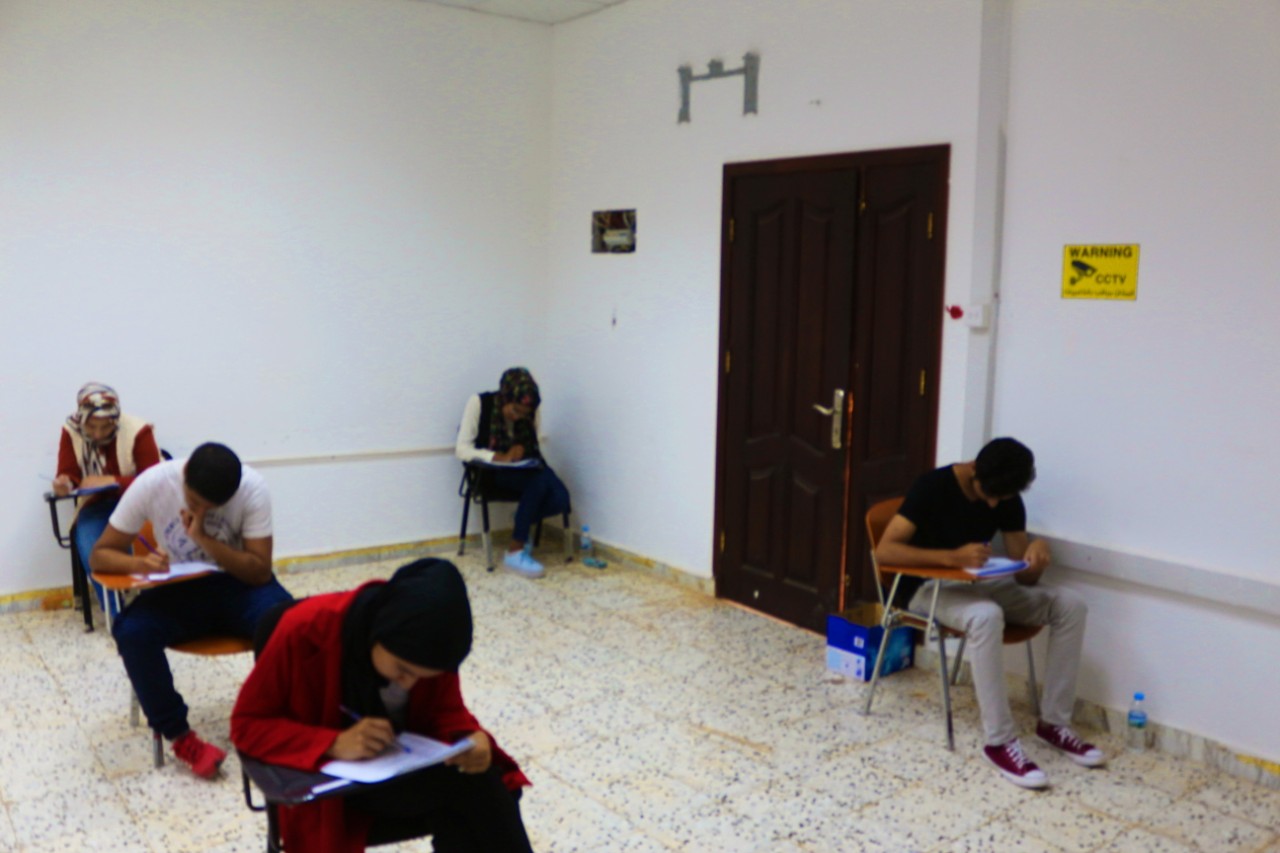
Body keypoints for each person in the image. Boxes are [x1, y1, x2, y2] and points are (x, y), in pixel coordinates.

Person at [231, 558, 533, 853]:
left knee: (481, 783)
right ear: (379, 632)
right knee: (479, 799)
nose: (408, 683)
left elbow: (446, 711)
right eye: (402, 669)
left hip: (399, 772)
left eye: (422, 677)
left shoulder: (431, 644)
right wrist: (333, 743)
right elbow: (246, 724)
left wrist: (470, 737)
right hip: (332, 791)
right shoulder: (305, 630)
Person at [874, 437, 1104, 789]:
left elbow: (1024, 578)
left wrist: (1036, 556)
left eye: (1003, 497)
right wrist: (951, 558)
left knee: (1070, 605)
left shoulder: (1006, 494)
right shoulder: (932, 487)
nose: (995, 503)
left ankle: (1054, 724)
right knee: (986, 615)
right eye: (990, 495)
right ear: (974, 470)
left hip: (980, 583)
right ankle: (999, 741)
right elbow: (885, 552)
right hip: (926, 588)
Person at [90, 442, 293, 779]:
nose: (202, 511)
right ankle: (181, 737)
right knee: (132, 631)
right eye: (195, 503)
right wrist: (140, 564)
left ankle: (273, 721)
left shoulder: (252, 488)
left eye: (213, 508)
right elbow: (100, 555)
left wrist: (204, 538)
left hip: (239, 585)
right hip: (178, 589)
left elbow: (259, 572)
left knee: (285, 621)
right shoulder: (154, 482)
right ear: (184, 476)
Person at [51, 382, 162, 620]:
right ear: (81, 419)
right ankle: (116, 613)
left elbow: (154, 481)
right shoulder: (71, 431)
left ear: (116, 419)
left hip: (139, 505)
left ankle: (153, 606)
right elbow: (69, 472)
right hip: (96, 505)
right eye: (91, 426)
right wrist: (64, 483)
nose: (98, 434)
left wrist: (112, 480)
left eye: (106, 426)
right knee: (92, 549)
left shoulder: (138, 430)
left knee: (147, 547)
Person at [455, 366, 571, 578]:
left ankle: (521, 519)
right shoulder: (479, 403)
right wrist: (497, 456)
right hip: (490, 474)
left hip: (524, 470)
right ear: (505, 396)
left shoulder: (530, 410)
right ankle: (515, 550)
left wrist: (521, 451)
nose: (518, 417)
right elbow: (461, 449)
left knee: (561, 498)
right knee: (538, 482)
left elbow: (533, 444)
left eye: (524, 414)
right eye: (515, 410)